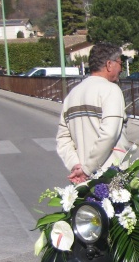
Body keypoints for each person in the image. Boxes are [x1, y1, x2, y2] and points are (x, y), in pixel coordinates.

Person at [56, 42, 130, 184]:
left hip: (81, 180)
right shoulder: (111, 90)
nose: (121, 69)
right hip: (110, 176)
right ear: (109, 64)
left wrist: (75, 165)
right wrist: (87, 169)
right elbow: (109, 134)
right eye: (120, 63)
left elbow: (63, 139)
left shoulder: (72, 94)